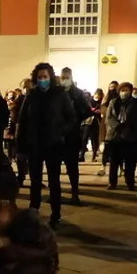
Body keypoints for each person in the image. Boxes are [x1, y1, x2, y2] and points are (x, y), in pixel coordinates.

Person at [16, 63, 76, 229]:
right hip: (34, 144)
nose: (42, 79)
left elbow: (71, 118)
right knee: (35, 180)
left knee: (53, 180)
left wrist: (60, 131)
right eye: (39, 77)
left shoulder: (60, 94)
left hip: (53, 144)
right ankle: (34, 210)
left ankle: (55, 213)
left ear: (50, 77)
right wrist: (20, 145)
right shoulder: (31, 95)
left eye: (45, 77)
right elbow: (22, 120)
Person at [0, 202, 58, 274]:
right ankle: (19, 263)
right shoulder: (6, 225)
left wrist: (17, 251)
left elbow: (47, 249)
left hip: (45, 259)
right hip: (20, 253)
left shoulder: (28, 219)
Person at [105, 82, 137, 191]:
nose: (124, 92)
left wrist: (130, 127)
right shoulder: (113, 102)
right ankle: (112, 182)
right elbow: (108, 118)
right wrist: (118, 126)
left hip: (131, 137)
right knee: (114, 162)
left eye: (127, 90)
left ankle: (130, 183)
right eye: (122, 90)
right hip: (115, 136)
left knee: (130, 163)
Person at [60, 67, 92, 204]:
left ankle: (74, 193)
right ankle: (55, 193)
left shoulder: (78, 94)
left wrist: (75, 118)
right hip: (57, 134)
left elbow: (87, 110)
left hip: (72, 134)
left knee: (72, 166)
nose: (65, 80)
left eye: (67, 78)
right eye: (63, 78)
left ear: (71, 78)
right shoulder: (56, 92)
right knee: (54, 167)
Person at [82, 88, 104, 162]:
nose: (97, 96)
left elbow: (102, 111)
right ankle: (82, 155)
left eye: (99, 95)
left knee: (94, 139)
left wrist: (99, 111)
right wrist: (92, 110)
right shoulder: (89, 101)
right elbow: (86, 110)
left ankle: (94, 156)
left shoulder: (101, 102)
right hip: (88, 121)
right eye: (96, 95)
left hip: (96, 122)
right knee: (84, 138)